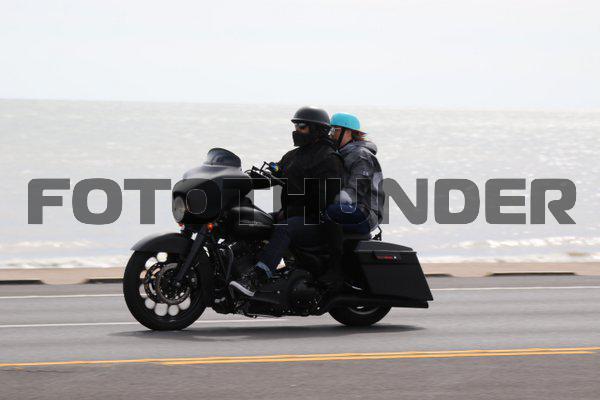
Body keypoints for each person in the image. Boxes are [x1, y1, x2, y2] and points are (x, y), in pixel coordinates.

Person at [229, 106, 344, 297]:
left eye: (302, 127)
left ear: (317, 130)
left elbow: (324, 199)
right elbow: (274, 175)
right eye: (295, 126)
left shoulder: (329, 158)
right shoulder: (294, 156)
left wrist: (291, 212)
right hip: (292, 214)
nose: (296, 131)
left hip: (317, 221)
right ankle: (231, 268)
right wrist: (241, 181)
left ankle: (257, 278)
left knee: (285, 228)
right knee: (252, 221)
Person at [327, 112, 384, 234]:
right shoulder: (340, 154)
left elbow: (358, 185)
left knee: (329, 213)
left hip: (366, 213)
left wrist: (336, 199)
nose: (331, 134)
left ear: (348, 132)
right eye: (330, 130)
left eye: (335, 130)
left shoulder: (361, 155)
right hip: (349, 207)